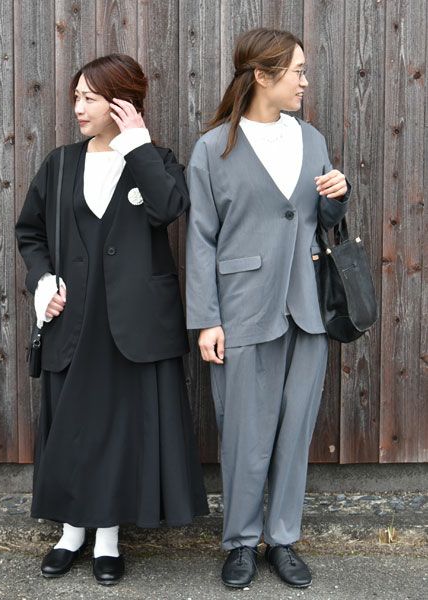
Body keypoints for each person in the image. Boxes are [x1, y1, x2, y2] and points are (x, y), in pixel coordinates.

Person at [15, 53, 208, 586]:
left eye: (91, 98)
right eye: (76, 97)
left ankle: (108, 540)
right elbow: (30, 232)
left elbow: (168, 208)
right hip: (73, 321)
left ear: (122, 103)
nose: (79, 108)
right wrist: (42, 282)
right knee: (74, 427)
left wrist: (136, 144)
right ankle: (70, 533)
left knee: (124, 430)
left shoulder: (156, 159)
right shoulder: (59, 164)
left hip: (134, 324)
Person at [186, 28, 350, 590]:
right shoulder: (213, 149)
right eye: (297, 71)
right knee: (243, 435)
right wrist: (206, 320)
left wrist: (336, 199)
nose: (304, 81)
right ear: (262, 75)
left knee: (295, 431)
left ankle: (282, 539)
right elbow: (200, 239)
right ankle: (239, 542)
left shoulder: (312, 139)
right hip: (242, 311)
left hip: (306, 308)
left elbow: (321, 224)